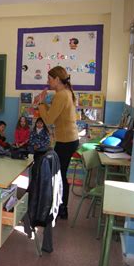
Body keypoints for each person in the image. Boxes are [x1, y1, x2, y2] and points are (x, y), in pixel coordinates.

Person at [35, 66, 79, 219]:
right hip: (69, 139)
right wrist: (44, 105)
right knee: (59, 173)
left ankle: (61, 208)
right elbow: (55, 113)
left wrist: (40, 103)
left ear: (57, 80)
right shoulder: (65, 93)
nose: (48, 81)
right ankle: (61, 207)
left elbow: (48, 119)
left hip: (66, 141)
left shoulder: (61, 95)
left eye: (49, 79)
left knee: (59, 175)